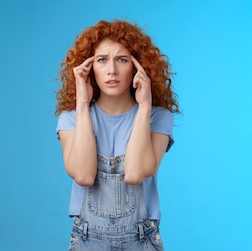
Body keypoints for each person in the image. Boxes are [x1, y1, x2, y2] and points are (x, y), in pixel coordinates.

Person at [55, 20, 179, 250]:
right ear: (90, 67)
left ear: (137, 66)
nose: (112, 70)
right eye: (102, 60)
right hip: (87, 239)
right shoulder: (71, 118)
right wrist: (82, 104)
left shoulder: (158, 117)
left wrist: (144, 106)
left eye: (122, 60)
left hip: (141, 239)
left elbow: (135, 174)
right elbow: (83, 175)